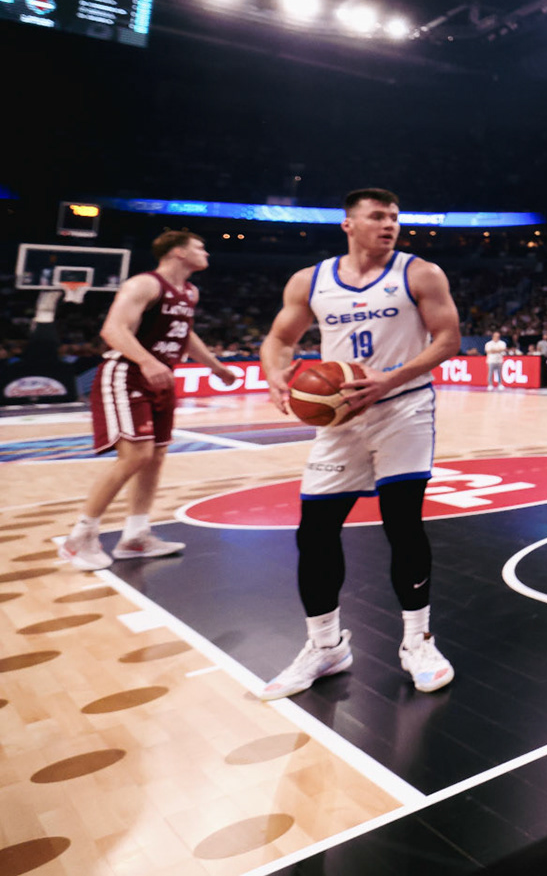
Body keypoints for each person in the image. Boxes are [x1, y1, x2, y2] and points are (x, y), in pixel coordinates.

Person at [257, 188, 462, 699]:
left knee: (403, 524)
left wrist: (388, 380)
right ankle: (326, 646)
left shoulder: (420, 273)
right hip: (341, 418)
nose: (389, 224)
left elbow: (448, 339)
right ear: (348, 224)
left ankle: (418, 641)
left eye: (394, 217)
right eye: (377, 216)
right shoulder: (311, 280)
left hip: (403, 408)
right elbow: (279, 339)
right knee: (315, 532)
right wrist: (274, 373)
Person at [59, 230, 237, 570]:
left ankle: (136, 536)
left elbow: (185, 333)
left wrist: (216, 366)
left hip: (160, 376)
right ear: (178, 252)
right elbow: (113, 330)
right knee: (135, 456)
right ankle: (79, 537)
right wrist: (147, 361)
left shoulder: (190, 292)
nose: (206, 254)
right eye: (200, 248)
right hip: (127, 372)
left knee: (155, 457)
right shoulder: (144, 284)